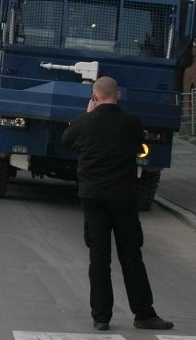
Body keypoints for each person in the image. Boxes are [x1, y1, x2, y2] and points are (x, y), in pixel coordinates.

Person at [61, 76, 174, 332]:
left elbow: (67, 142)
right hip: (123, 197)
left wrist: (87, 114)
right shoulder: (132, 123)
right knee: (132, 256)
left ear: (95, 97)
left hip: (92, 197)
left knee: (99, 258)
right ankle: (143, 314)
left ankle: (101, 317)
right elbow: (140, 148)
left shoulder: (84, 122)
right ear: (118, 95)